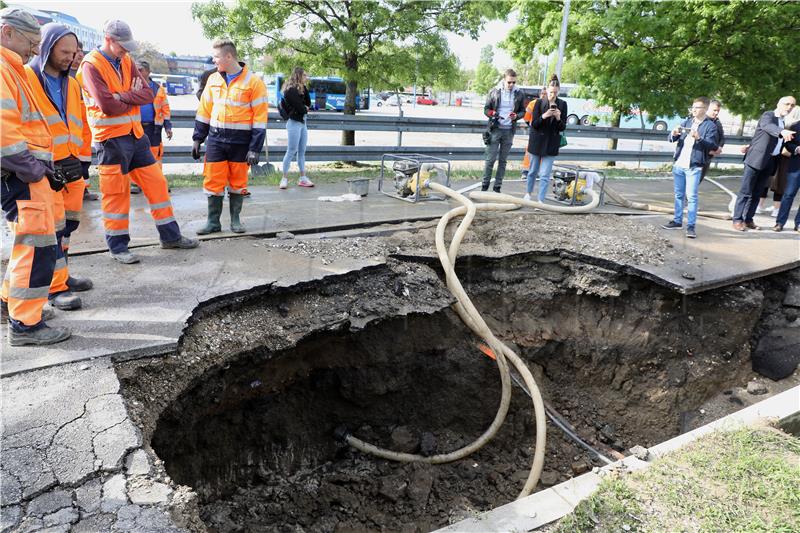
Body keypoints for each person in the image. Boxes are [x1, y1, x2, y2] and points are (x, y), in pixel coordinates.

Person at [76, 19, 198, 263]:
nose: (126, 51)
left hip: (136, 135)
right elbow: (107, 106)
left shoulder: (126, 61)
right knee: (116, 194)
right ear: (108, 40)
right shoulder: (90, 66)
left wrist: (121, 95)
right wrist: (126, 97)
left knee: (157, 184)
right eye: (122, 46)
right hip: (110, 140)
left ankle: (170, 237)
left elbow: (147, 94)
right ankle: (118, 247)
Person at [0, 7, 70, 345]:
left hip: (25, 173)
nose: (34, 50)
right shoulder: (3, 69)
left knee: (26, 245)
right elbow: (5, 134)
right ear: (7, 33)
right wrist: (34, 171)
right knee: (37, 246)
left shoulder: (13, 69)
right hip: (22, 175)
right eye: (31, 42)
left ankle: (9, 304)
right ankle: (26, 324)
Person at [25, 22, 95, 311]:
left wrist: (84, 161)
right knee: (50, 231)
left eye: (74, 52)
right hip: (44, 167)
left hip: (71, 164)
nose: (71, 57)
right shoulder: (27, 78)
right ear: (46, 48)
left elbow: (80, 122)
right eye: (64, 52)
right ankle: (53, 289)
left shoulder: (73, 82)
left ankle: (61, 277)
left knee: (66, 227)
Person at [192, 38, 267, 234]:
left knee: (237, 182)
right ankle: (213, 222)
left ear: (229, 56)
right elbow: (204, 110)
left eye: (216, 57)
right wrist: (197, 138)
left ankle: (235, 220)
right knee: (213, 181)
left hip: (240, 142)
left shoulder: (254, 82)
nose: (213, 60)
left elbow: (260, 117)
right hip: (216, 140)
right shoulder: (213, 79)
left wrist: (254, 148)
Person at [731, 96, 796, 231]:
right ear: (779, 104)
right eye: (787, 104)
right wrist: (782, 132)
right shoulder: (768, 115)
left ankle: (748, 219)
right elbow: (767, 126)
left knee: (758, 192)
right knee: (746, 191)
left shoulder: (782, 121)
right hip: (756, 159)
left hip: (771, 161)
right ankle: (737, 220)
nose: (789, 107)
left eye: (792, 105)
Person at [662, 97, 718, 239]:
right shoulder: (686, 122)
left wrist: (699, 138)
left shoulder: (710, 126)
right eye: (692, 107)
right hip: (679, 164)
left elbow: (713, 146)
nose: (693, 109)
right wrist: (673, 134)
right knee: (678, 195)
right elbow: (671, 139)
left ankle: (691, 226)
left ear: (704, 109)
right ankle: (677, 221)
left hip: (694, 166)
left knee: (692, 197)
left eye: (697, 107)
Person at [524, 74, 567, 202]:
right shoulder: (538, 103)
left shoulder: (563, 104)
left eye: (555, 92)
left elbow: (562, 127)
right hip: (537, 142)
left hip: (551, 143)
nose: (552, 95)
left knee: (544, 174)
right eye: (550, 92)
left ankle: (540, 200)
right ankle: (528, 193)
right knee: (532, 171)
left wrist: (558, 117)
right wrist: (545, 115)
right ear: (546, 90)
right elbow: (534, 124)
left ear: (558, 91)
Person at [481, 69, 524, 193]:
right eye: (509, 82)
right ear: (504, 80)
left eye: (513, 82)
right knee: (490, 160)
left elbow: (523, 111)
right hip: (495, 129)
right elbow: (486, 109)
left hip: (509, 131)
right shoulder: (494, 92)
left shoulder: (519, 93)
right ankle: (484, 186)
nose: (511, 85)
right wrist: (492, 113)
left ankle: (497, 187)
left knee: (503, 161)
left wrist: (516, 116)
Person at [70, 39, 98, 201]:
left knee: (85, 159)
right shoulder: (62, 74)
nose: (80, 54)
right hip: (70, 126)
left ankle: (84, 190)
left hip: (86, 126)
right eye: (76, 51)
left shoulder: (85, 72)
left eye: (81, 51)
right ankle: (72, 192)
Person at [279, 67, 314, 189]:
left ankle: (303, 178)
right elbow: (302, 108)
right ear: (298, 76)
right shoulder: (291, 90)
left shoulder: (301, 89)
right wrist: (304, 108)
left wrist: (304, 87)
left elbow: (309, 104)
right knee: (291, 151)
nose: (306, 77)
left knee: (302, 151)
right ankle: (284, 178)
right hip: (294, 123)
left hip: (302, 122)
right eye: (304, 75)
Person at [136, 60, 172, 169]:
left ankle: (156, 182)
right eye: (135, 70)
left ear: (148, 72)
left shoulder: (158, 89)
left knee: (155, 154)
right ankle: (139, 183)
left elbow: (165, 109)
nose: (137, 72)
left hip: (153, 129)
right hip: (136, 128)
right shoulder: (131, 87)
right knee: (137, 154)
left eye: (140, 70)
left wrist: (168, 127)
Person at [773, 106, 800, 232]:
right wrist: (797, 149)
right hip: (796, 167)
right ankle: (780, 223)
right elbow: (787, 144)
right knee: (788, 195)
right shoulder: (795, 127)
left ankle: (798, 224)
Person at [520, 88, 547, 179]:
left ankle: (538, 171)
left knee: (542, 151)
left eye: (545, 93)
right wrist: (532, 126)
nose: (544, 95)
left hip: (545, 132)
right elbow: (526, 118)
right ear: (539, 94)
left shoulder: (550, 104)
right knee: (530, 151)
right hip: (534, 131)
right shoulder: (532, 103)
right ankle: (526, 171)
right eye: (542, 93)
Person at [700, 99, 725, 183]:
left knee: (698, 181)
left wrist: (719, 148)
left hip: (708, 158)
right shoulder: (701, 120)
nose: (716, 113)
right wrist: (708, 150)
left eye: (718, 111)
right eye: (714, 110)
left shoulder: (717, 122)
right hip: (699, 156)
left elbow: (722, 138)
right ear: (708, 109)